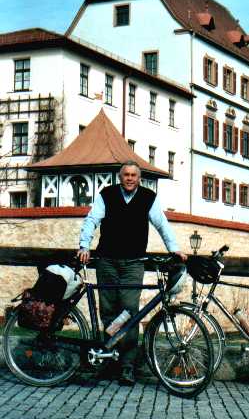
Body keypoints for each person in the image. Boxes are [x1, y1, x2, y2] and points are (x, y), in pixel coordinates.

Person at [77, 160, 187, 386]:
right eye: (125, 174)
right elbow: (92, 220)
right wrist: (84, 245)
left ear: (139, 178)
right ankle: (107, 359)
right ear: (120, 177)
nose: (129, 178)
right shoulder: (106, 194)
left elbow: (162, 225)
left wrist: (173, 248)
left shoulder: (148, 197)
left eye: (133, 175)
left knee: (129, 313)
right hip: (107, 262)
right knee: (107, 312)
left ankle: (127, 366)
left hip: (133, 264)